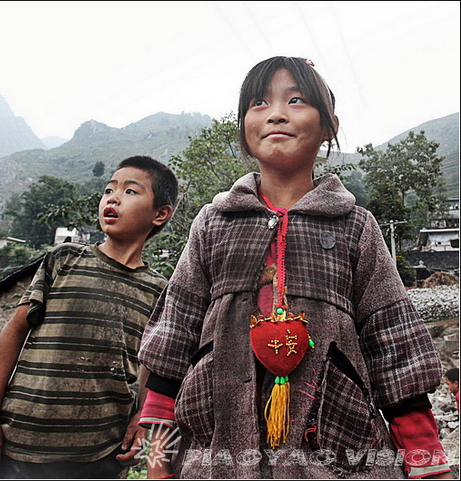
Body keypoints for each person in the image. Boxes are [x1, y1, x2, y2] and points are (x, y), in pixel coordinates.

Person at [137, 56, 451, 479]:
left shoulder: (355, 226)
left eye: (297, 99)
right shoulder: (213, 223)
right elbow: (171, 349)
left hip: (336, 455)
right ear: (244, 129)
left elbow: (395, 349)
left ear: (328, 126)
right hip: (215, 461)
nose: (277, 114)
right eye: (259, 103)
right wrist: (158, 466)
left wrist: (429, 465)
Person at [0, 155, 178, 479]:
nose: (113, 198)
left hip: (100, 456)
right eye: (108, 190)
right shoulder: (64, 260)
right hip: (17, 447)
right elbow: (13, 333)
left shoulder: (159, 290)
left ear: (160, 214)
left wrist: (140, 419)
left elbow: (151, 365)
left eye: (130, 192)